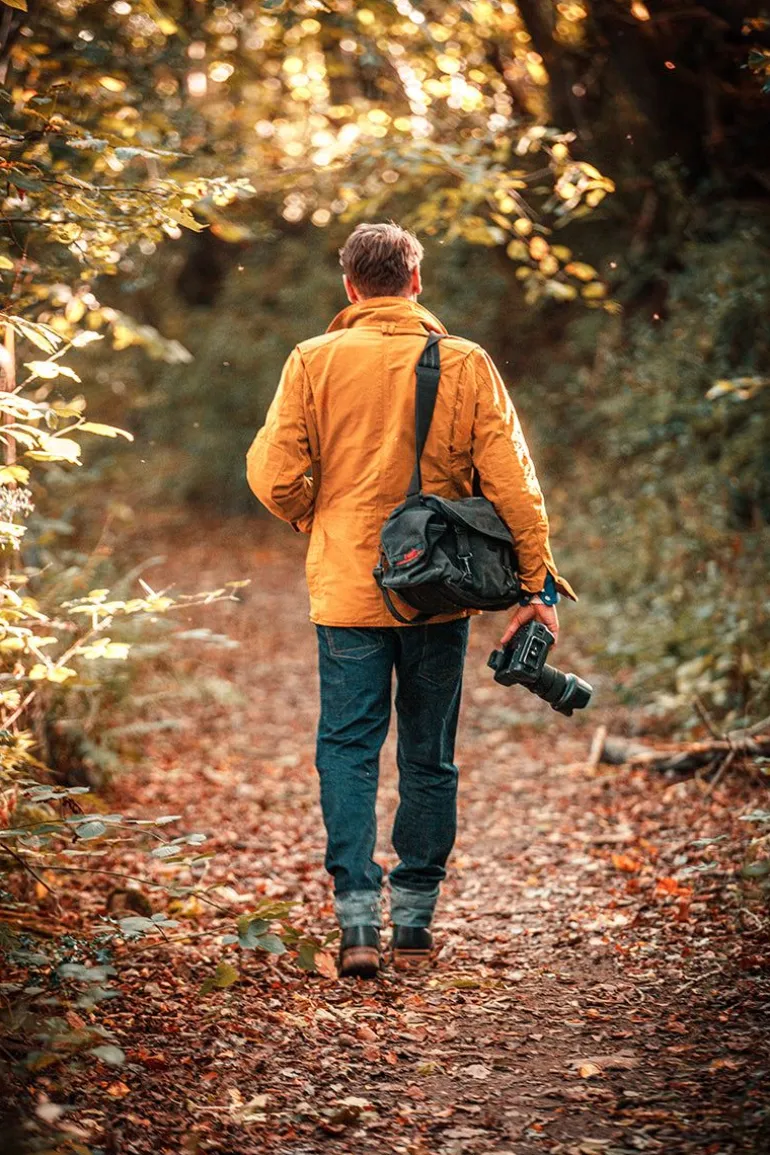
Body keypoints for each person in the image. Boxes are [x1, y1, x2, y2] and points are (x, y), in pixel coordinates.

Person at [246, 222, 576, 979]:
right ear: (416, 282)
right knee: (429, 753)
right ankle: (416, 919)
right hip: (437, 590)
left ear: (351, 288)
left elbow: (273, 476)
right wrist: (538, 585)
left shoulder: (313, 360)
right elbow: (514, 485)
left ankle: (357, 919)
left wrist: (313, 515)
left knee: (349, 747)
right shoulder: (462, 362)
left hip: (346, 590)